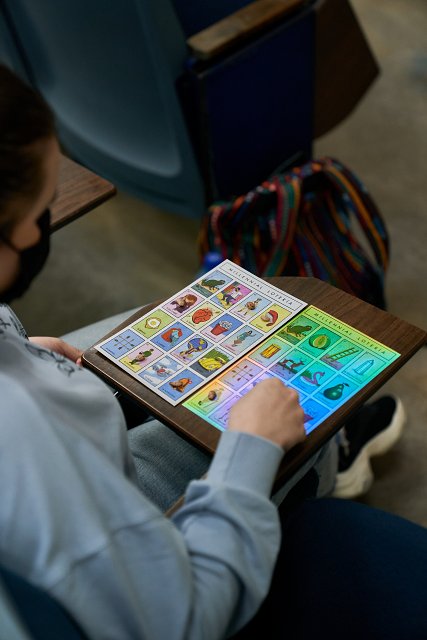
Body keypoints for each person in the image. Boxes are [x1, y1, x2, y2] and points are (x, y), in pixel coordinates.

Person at [0, 64, 405, 639]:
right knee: (292, 406)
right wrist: (252, 448)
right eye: (39, 211)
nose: (44, 225)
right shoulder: (27, 438)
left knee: (148, 321)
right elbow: (183, 619)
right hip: (102, 531)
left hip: (36, 408)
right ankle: (326, 462)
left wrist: (15, 344)